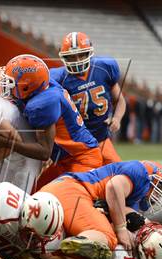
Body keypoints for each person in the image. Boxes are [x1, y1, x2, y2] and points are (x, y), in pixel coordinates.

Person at [0, 54, 102, 191]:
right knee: (32, 196)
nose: (6, 86)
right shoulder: (43, 84)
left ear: (27, 86)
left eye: (10, 82)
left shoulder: (42, 104)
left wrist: (5, 142)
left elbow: (44, 152)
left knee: (61, 202)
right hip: (65, 159)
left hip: (82, 159)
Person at [39, 160, 162, 259]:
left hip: (57, 188)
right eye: (160, 186)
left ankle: (41, 257)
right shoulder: (139, 171)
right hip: (73, 192)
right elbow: (114, 187)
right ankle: (75, 243)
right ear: (151, 177)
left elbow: (126, 214)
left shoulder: (132, 193)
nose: (158, 194)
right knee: (106, 236)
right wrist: (121, 228)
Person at [51, 32, 126, 164]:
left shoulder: (104, 67)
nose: (78, 60)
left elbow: (119, 100)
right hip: (75, 145)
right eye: (72, 57)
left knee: (118, 174)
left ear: (89, 53)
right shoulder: (57, 78)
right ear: (64, 57)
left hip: (101, 139)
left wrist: (117, 118)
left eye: (81, 55)